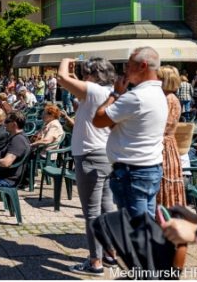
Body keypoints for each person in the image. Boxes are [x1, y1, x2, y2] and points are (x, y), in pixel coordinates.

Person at [57, 57, 117, 275]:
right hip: (106, 154)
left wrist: (65, 61)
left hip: (90, 156)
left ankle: (95, 262)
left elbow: (62, 78)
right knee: (106, 209)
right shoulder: (108, 91)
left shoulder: (93, 91)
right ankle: (110, 254)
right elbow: (74, 84)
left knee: (92, 213)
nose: (82, 77)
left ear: (93, 76)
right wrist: (75, 76)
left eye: (86, 74)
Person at [92, 47, 168, 219]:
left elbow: (98, 119)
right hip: (149, 168)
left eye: (128, 65)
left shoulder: (136, 97)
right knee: (145, 227)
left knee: (134, 231)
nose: (124, 70)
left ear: (142, 66)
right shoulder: (158, 93)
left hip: (132, 172)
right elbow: (123, 127)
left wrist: (115, 93)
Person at [157, 66, 186, 208]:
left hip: (164, 146)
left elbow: (163, 126)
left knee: (165, 181)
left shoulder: (169, 99)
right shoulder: (168, 97)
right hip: (166, 144)